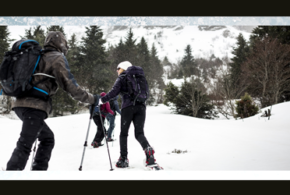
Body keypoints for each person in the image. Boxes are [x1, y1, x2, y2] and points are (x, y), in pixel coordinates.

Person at [6, 31, 98, 171]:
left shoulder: (38, 55)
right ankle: (12, 176)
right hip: (34, 107)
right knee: (25, 145)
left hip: (20, 104)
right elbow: (70, 85)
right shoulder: (56, 57)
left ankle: (37, 172)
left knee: (47, 139)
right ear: (62, 44)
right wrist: (92, 99)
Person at [100, 61, 156, 168]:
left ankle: (123, 159)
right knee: (139, 133)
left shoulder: (122, 77)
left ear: (123, 68)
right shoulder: (140, 77)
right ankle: (148, 151)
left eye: (118, 68)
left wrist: (102, 100)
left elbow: (113, 92)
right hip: (141, 107)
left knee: (124, 134)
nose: (117, 70)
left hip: (128, 107)